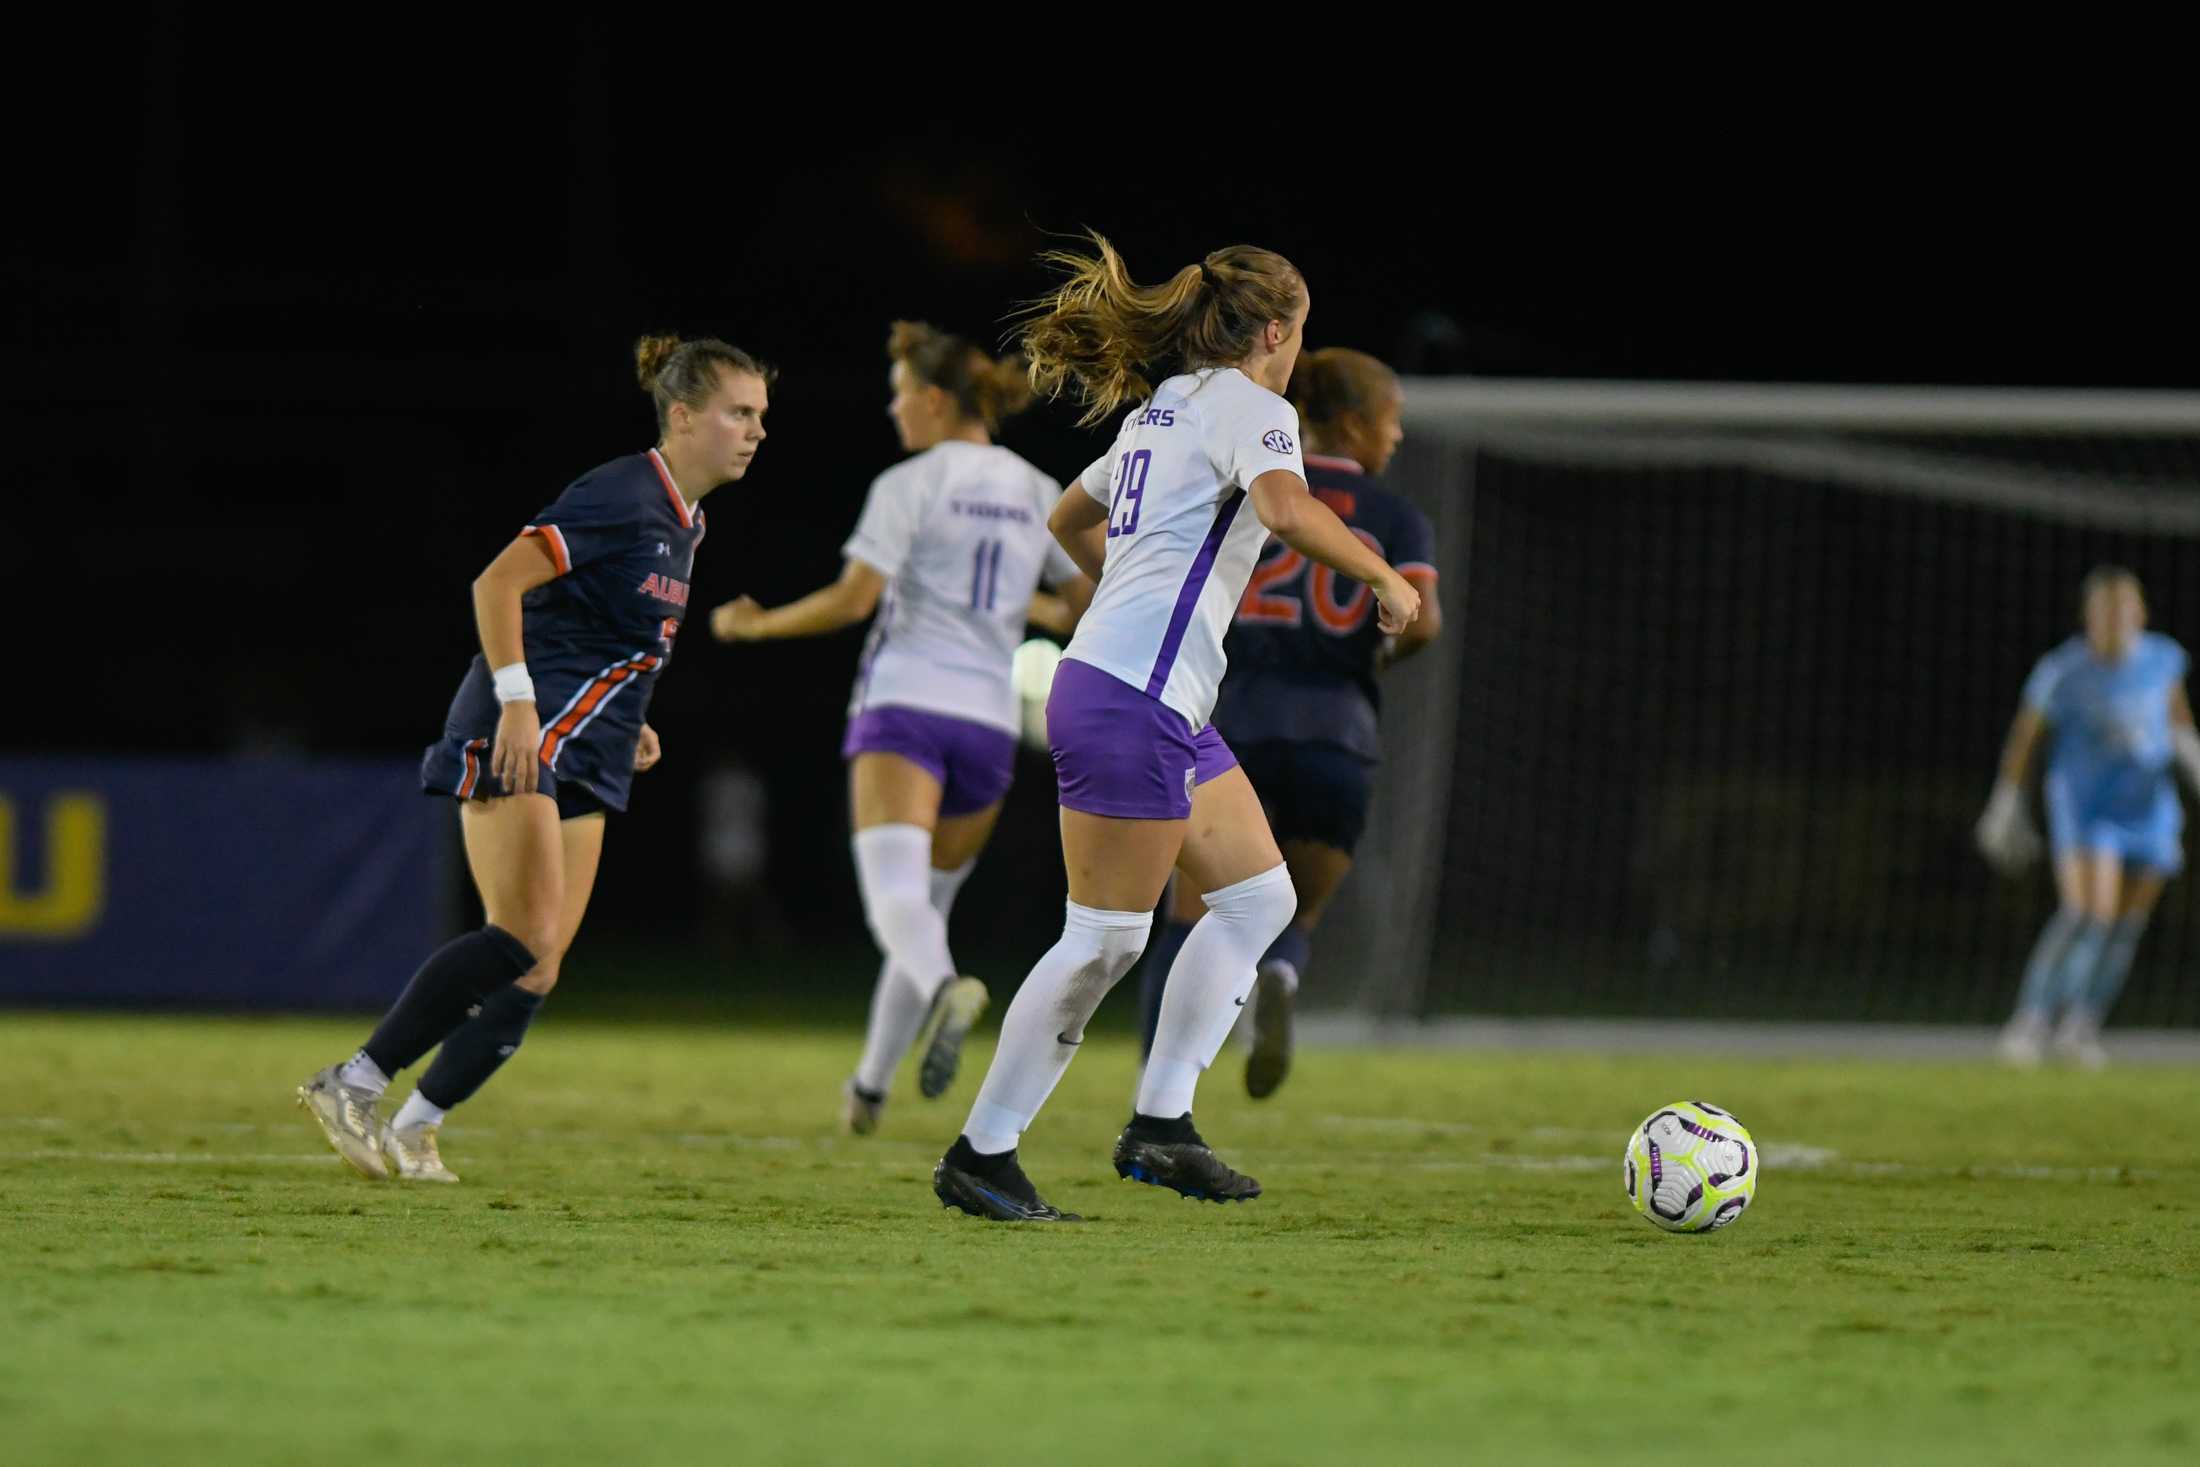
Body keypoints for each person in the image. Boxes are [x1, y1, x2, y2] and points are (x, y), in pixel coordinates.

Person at [931, 234, 1422, 1222]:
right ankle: (982, 1152)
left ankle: (1161, 1125)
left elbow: (1067, 521)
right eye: (1300, 332)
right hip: (1133, 698)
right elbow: (1285, 511)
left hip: (1149, 694)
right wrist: (1376, 575)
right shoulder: (1252, 408)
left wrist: (1119, 595)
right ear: (1277, 331)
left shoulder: (1166, 410)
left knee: (1255, 899)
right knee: (1103, 942)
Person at [296, 334, 772, 1181]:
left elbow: (610, 632)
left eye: (760, 416)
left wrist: (634, 714)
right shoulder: (626, 490)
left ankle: (414, 1125)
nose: (755, 430)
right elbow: (496, 583)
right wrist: (517, 700)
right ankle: (353, 1079)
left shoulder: (688, 522)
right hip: (521, 725)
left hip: (587, 742)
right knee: (517, 934)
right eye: (739, 412)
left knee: (541, 964)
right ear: (684, 414)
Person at [710, 322, 1089, 1134]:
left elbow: (855, 599)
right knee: (927, 908)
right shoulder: (1032, 486)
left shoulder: (910, 484)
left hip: (907, 705)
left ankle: (950, 987)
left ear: (934, 399)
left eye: (898, 392)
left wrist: (757, 627)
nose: (892, 408)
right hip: (987, 724)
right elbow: (1084, 600)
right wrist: (1028, 609)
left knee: (895, 902)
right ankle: (870, 1090)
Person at [1133, 347, 1441, 1098]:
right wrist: (1367, 661)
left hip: (1232, 722)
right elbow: (1424, 623)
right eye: (1390, 421)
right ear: (1354, 422)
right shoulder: (1396, 515)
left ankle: (1156, 1088)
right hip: (1339, 734)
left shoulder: (1257, 483)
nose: (1397, 437)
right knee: (1295, 913)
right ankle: (1278, 972)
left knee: (1189, 912)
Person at [1976, 566, 2200, 1067]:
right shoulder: (2063, 671)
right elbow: (2025, 738)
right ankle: (2031, 1018)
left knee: (2126, 925)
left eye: (2126, 608)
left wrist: (2191, 759)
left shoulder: (2163, 659)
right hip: (2086, 809)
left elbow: (2178, 723)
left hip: (2148, 807)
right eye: (2106, 610)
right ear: (2089, 618)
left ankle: (2081, 1024)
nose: (2118, 619)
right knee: (2086, 913)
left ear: (2141, 613)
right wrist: (2007, 800)